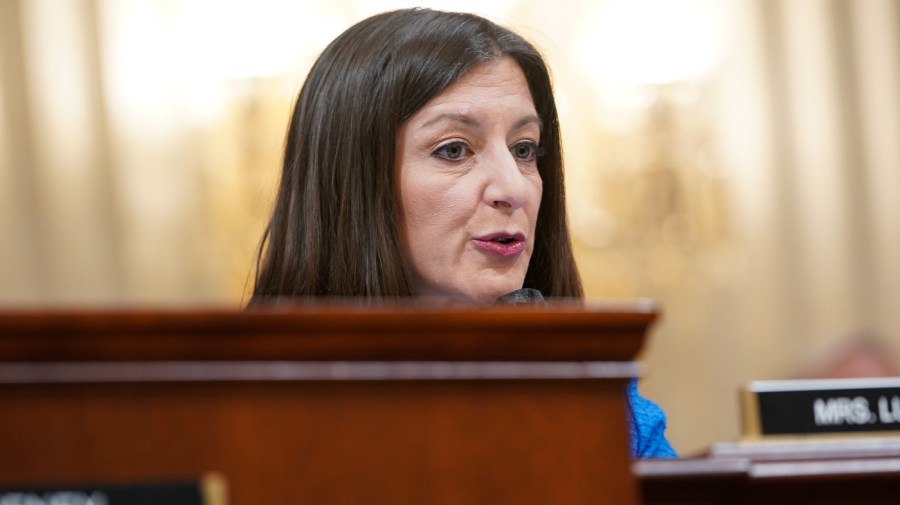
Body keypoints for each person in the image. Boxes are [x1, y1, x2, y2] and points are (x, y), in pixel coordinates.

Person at [249, 7, 675, 459]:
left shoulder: (611, 412)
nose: (513, 188)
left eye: (524, 149)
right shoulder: (237, 411)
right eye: (454, 150)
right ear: (351, 180)